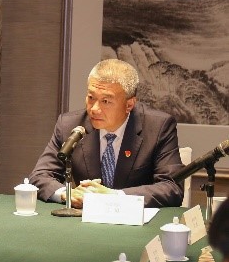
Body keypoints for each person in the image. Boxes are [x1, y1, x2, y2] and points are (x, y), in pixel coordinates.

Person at [29, 59, 183, 208]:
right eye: (91, 98)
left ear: (129, 104)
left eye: (106, 101)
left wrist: (114, 196)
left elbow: (172, 187)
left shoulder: (158, 127)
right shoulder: (69, 125)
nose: (94, 109)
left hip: (135, 220)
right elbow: (39, 176)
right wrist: (67, 194)